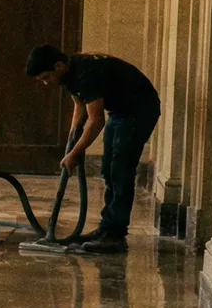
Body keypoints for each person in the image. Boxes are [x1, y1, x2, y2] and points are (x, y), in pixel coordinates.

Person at [26, 45, 160, 254]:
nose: (46, 83)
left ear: (58, 66)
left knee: (120, 169)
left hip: (140, 110)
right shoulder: (67, 75)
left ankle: (115, 235)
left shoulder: (87, 72)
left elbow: (96, 120)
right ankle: (107, 228)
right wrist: (72, 141)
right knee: (108, 168)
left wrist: (75, 153)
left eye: (46, 77)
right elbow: (80, 107)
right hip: (119, 111)